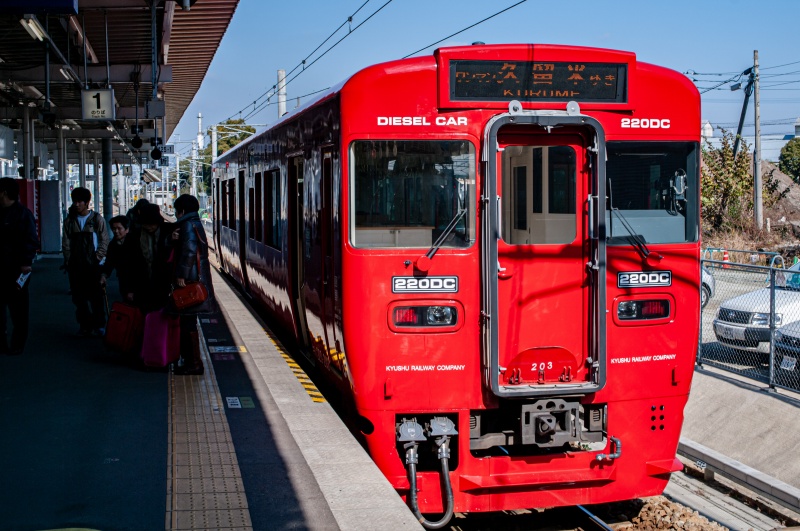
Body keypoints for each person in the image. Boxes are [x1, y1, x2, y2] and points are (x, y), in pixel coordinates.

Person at [171, 194, 216, 375]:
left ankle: (193, 363)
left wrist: (181, 274)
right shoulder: (196, 222)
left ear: (181, 210)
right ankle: (192, 361)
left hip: (190, 281)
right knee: (189, 322)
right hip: (197, 278)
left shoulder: (187, 225)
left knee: (188, 323)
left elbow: (189, 250)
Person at [0, 178, 40, 355]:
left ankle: (17, 345)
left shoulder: (23, 214)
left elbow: (31, 239)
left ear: (4, 193)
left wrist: (26, 262)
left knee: (18, 310)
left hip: (17, 269)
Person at [62, 187, 110, 337]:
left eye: (80, 201)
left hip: (93, 265)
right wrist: (69, 260)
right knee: (79, 298)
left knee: (96, 297)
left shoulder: (96, 219)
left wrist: (98, 257)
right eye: (75, 201)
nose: (76, 204)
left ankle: (99, 324)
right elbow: (66, 242)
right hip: (76, 265)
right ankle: (85, 324)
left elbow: (104, 239)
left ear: (87, 202)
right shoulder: (70, 220)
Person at [131, 204, 173, 313]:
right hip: (142, 284)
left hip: (164, 283)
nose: (149, 227)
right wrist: (129, 289)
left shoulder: (168, 231)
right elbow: (129, 263)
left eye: (152, 224)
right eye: (146, 224)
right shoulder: (135, 235)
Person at [100, 215, 142, 303]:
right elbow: (109, 262)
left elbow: (139, 267)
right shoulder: (113, 245)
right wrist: (104, 275)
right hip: (123, 280)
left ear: (127, 229)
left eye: (119, 228)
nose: (116, 231)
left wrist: (132, 290)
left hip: (138, 280)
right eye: (114, 228)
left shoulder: (135, 242)